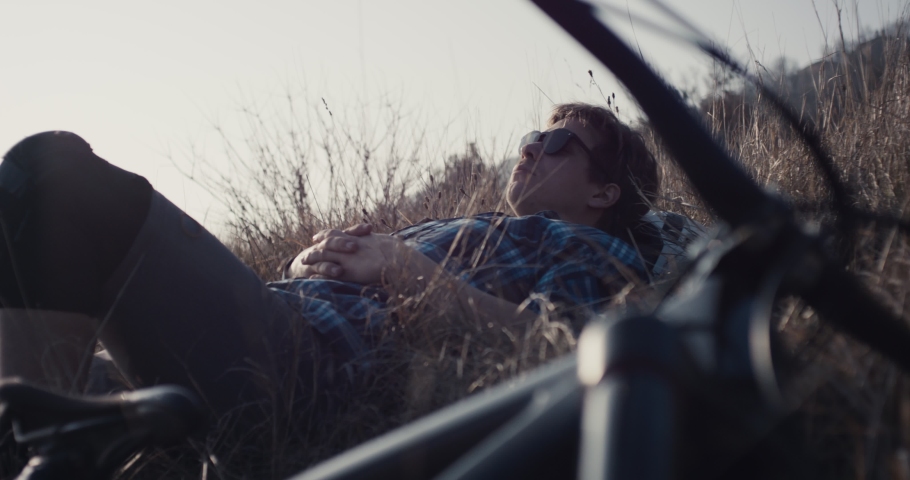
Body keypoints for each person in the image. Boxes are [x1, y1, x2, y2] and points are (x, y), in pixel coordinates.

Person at [0, 102, 659, 423]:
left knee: (52, 173)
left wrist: (404, 268)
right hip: (269, 318)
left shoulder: (590, 247)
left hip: (303, 368)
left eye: (557, 142)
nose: (531, 148)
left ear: (604, 193)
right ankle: (53, 435)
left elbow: (562, 353)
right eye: (531, 136)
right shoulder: (476, 226)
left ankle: (44, 441)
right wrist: (311, 262)